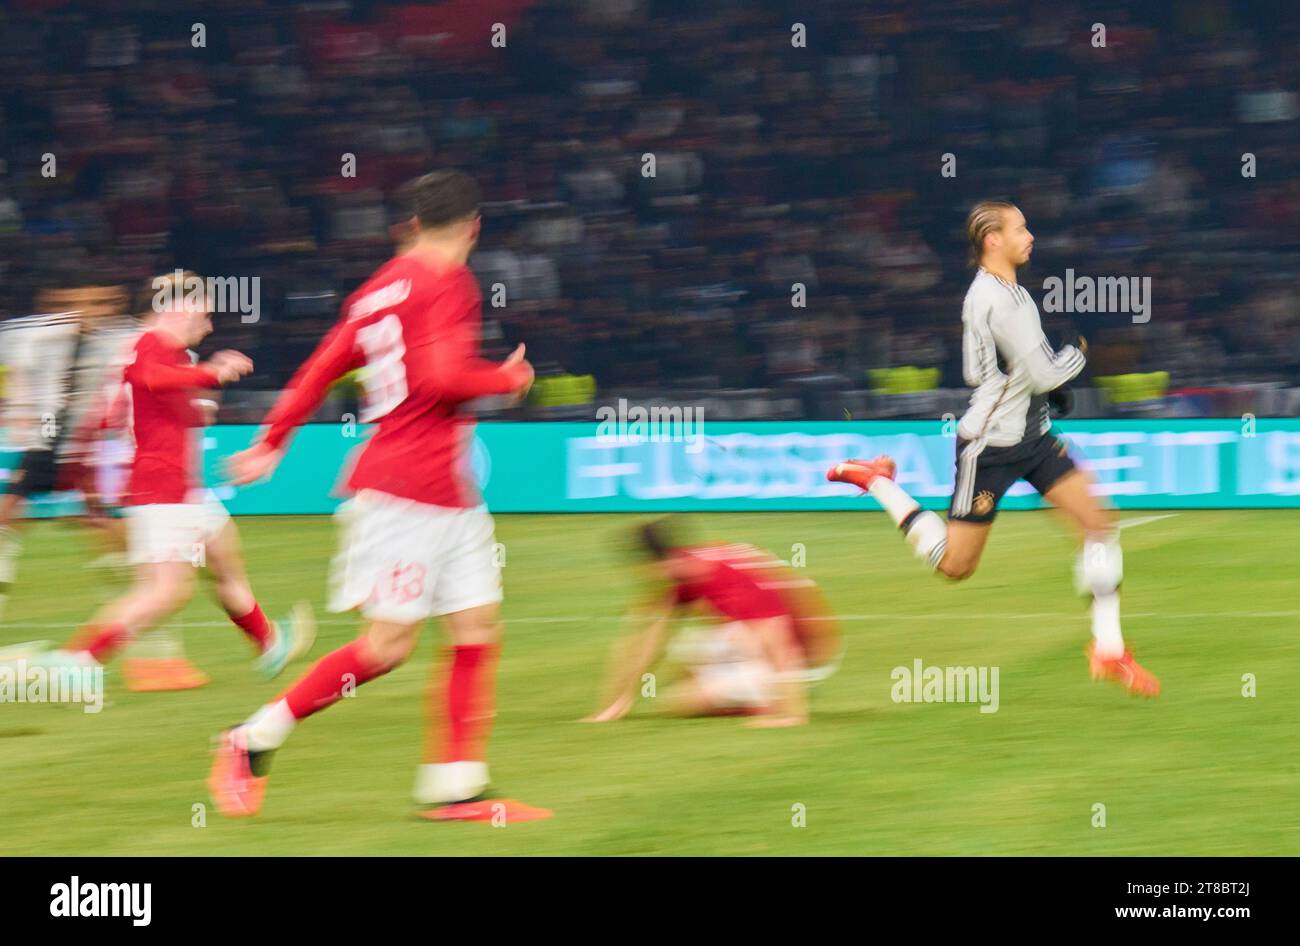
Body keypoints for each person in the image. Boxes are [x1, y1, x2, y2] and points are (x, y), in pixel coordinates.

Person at [208, 169, 535, 818]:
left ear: (412, 222)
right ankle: (252, 738)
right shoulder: (452, 282)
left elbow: (321, 368)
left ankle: (455, 785)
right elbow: (442, 378)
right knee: (387, 646)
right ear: (474, 225)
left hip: (444, 489)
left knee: (476, 626)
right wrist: (505, 379)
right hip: (407, 491)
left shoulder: (376, 290)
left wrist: (274, 439)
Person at [828, 200, 1158, 697]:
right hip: (992, 447)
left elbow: (1002, 370)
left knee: (1098, 524)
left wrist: (1041, 383)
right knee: (955, 567)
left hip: (1034, 437)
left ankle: (1109, 650)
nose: (1032, 236)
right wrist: (1077, 355)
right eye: (1022, 228)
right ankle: (877, 480)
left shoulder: (1010, 293)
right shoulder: (997, 300)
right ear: (993, 240)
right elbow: (1045, 369)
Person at [25, 271, 314, 681]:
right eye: (206, 313)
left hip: (183, 488)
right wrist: (211, 374)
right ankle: (76, 660)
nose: (209, 324)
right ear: (180, 307)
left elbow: (139, 406)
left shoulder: (170, 353)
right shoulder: (148, 343)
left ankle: (269, 645)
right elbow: (150, 379)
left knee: (224, 562)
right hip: (160, 489)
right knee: (166, 590)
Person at [586, 519, 841, 727]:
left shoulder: (727, 581)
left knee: (683, 701)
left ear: (661, 563)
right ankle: (761, 687)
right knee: (689, 654)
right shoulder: (687, 566)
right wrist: (620, 701)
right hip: (757, 639)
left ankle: (773, 695)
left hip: (804, 653)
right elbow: (649, 637)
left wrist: (792, 713)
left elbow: (777, 636)